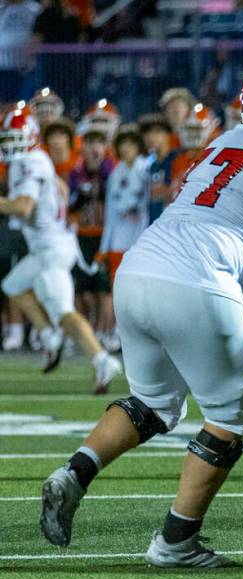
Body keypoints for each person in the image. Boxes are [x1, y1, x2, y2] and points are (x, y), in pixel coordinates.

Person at [38, 60, 243, 568]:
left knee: (153, 402)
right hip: (198, 280)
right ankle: (175, 543)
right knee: (235, 415)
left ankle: (75, 471)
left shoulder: (223, 143)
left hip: (140, 272)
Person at [0, 105, 122, 390]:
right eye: (6, 139)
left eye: (14, 137)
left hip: (52, 250)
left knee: (65, 313)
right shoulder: (37, 158)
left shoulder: (28, 162)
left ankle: (103, 360)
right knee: (13, 285)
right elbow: (60, 191)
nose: (9, 144)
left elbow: (23, 206)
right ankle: (49, 336)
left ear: (29, 136)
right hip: (49, 246)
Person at [97, 124, 149, 351]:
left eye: (131, 144)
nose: (127, 148)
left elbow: (147, 207)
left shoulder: (146, 170)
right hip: (118, 242)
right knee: (118, 291)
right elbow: (110, 212)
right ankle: (118, 332)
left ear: (138, 147)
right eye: (122, 144)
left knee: (139, 290)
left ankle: (137, 334)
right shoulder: (115, 174)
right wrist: (104, 246)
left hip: (140, 240)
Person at [67, 124, 114, 342]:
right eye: (89, 143)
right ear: (82, 147)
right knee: (83, 289)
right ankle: (90, 327)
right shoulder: (76, 173)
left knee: (103, 288)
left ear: (105, 147)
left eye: (98, 143)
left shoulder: (111, 171)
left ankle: (104, 330)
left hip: (105, 236)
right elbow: (71, 206)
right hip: (83, 235)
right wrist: (82, 197)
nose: (93, 148)